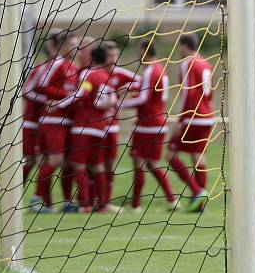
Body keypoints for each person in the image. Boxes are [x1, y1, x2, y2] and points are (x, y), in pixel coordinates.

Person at [53, 43, 117, 213]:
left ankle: (85, 204)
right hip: (101, 127)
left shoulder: (90, 75)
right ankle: (102, 204)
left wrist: (58, 105)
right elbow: (109, 101)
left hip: (83, 126)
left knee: (79, 166)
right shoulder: (107, 77)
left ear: (91, 58)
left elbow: (82, 93)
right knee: (98, 167)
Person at [118, 39, 179, 212]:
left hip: (147, 125)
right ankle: (172, 200)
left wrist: (118, 105)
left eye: (139, 50)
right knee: (153, 164)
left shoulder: (151, 70)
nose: (138, 54)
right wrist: (132, 86)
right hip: (158, 123)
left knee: (139, 163)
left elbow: (144, 98)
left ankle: (135, 205)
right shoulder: (159, 69)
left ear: (145, 50)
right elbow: (149, 90)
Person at [166, 34, 215, 213]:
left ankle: (197, 191)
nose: (179, 50)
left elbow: (187, 93)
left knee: (170, 155)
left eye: (180, 47)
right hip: (207, 116)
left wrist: (181, 119)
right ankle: (200, 205)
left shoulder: (188, 63)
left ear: (185, 46)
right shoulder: (206, 63)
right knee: (198, 157)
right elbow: (209, 94)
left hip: (192, 116)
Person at [31, 30, 78, 212]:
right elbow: (41, 84)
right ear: (64, 45)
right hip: (52, 120)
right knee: (55, 160)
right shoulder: (57, 63)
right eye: (73, 45)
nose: (76, 48)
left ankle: (66, 202)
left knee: (66, 162)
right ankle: (36, 199)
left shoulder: (71, 66)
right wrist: (64, 96)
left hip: (65, 121)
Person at [21, 28, 64, 184]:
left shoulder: (64, 66)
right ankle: (13, 196)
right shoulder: (42, 67)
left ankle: (43, 201)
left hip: (45, 122)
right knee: (33, 160)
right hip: (32, 122)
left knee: (45, 160)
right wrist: (48, 101)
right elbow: (27, 91)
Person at [102, 41, 140, 212]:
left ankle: (106, 201)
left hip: (112, 127)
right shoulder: (95, 73)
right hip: (93, 126)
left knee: (110, 165)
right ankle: (87, 200)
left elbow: (140, 82)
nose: (113, 58)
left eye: (116, 55)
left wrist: (127, 88)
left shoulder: (121, 74)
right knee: (90, 166)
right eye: (110, 55)